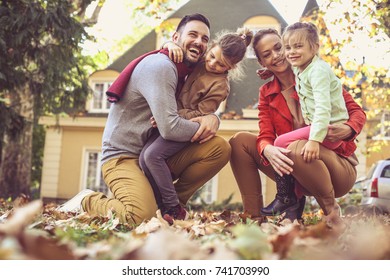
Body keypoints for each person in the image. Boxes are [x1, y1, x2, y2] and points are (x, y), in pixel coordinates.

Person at [57, 13, 231, 225]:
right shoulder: (162, 66)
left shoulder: (191, 70)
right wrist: (205, 124)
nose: (199, 42)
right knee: (139, 217)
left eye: (205, 39)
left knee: (219, 148)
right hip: (122, 157)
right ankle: (87, 201)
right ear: (176, 38)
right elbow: (169, 129)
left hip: (152, 153)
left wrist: (213, 117)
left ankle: (169, 203)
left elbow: (200, 102)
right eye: (193, 35)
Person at [229, 28, 366, 226]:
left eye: (278, 48)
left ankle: (330, 211)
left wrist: (349, 129)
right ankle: (256, 216)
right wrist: (267, 149)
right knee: (239, 142)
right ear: (262, 63)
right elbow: (265, 133)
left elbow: (357, 112)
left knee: (296, 146)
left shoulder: (315, 74)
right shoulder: (267, 92)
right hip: (293, 171)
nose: (276, 56)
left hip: (336, 168)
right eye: (267, 55)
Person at [139, 28, 253, 223]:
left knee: (152, 156)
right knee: (143, 159)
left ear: (231, 68)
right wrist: (169, 45)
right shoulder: (199, 60)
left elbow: (201, 113)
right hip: (167, 121)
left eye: (221, 64)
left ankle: (174, 206)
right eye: (212, 56)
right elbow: (171, 51)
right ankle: (161, 206)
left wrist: (167, 114)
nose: (212, 63)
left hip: (185, 126)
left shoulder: (220, 86)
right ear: (212, 47)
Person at [261, 22, 350, 216]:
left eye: (298, 46)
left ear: (315, 47)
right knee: (284, 146)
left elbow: (323, 109)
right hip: (323, 129)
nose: (291, 52)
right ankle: (294, 195)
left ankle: (286, 195)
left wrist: (314, 140)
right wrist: (271, 70)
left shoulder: (318, 72)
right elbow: (288, 70)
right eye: (288, 47)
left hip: (330, 129)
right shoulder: (302, 68)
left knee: (280, 142)